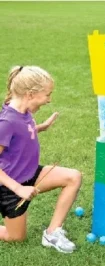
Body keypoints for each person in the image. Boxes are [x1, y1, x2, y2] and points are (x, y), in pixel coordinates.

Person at [0, 66, 82, 253]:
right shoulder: (6, 122)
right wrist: (18, 188)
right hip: (10, 187)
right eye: (47, 95)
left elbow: (18, 137)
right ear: (30, 94)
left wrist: (38, 128)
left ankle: (52, 233)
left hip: (32, 174)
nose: (49, 100)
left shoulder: (24, 113)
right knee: (16, 238)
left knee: (73, 177)